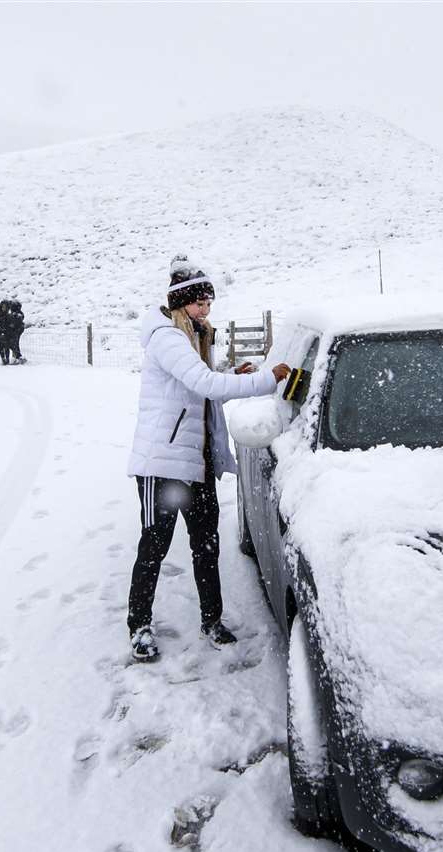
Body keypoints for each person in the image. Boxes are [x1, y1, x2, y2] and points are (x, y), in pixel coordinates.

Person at [125, 255, 290, 663]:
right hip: (162, 464)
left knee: (207, 545)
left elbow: (203, 381)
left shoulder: (195, 336)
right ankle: (139, 626)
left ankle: (211, 620)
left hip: (197, 462)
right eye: (200, 303)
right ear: (181, 302)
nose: (206, 310)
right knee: (154, 546)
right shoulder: (167, 338)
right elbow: (202, 383)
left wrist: (236, 370)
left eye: (209, 304)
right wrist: (266, 379)